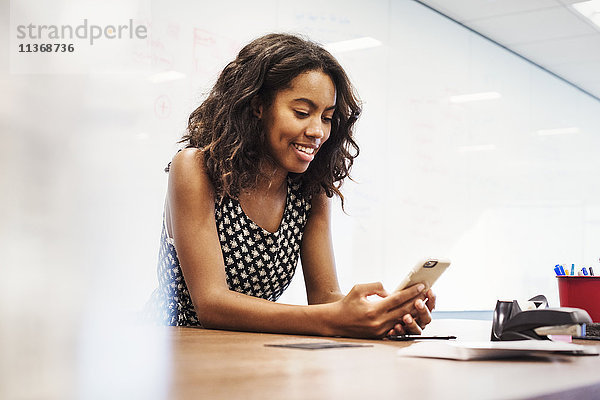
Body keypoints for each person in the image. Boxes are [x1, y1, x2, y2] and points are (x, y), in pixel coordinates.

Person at [148, 33, 436, 338]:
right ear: (258, 105)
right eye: (301, 112)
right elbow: (211, 304)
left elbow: (326, 300)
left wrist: (379, 314)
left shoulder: (310, 189)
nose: (317, 131)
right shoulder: (196, 168)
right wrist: (337, 318)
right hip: (171, 352)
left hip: (247, 357)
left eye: (327, 117)